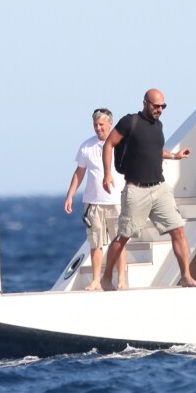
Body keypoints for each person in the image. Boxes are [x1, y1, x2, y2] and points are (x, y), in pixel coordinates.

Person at [101, 88, 196, 290]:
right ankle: (106, 278)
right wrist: (107, 174)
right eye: (156, 106)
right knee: (123, 236)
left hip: (159, 187)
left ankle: (186, 277)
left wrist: (175, 156)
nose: (159, 110)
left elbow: (154, 151)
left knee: (178, 231)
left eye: (162, 106)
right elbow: (109, 144)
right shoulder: (129, 122)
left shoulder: (158, 125)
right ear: (145, 103)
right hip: (136, 189)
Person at [64, 108, 127, 290]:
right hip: (93, 202)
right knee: (95, 242)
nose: (98, 128)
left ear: (110, 124)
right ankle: (96, 280)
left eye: (101, 124)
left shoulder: (121, 143)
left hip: (117, 201)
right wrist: (70, 195)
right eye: (95, 125)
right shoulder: (86, 146)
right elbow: (79, 173)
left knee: (119, 241)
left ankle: (121, 278)